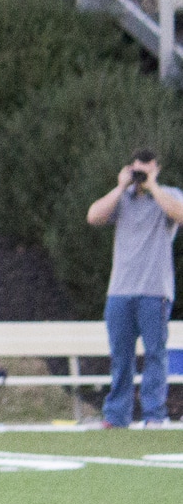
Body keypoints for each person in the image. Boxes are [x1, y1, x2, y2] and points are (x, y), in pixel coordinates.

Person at [86, 147, 182, 428]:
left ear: (157, 168)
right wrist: (120, 187)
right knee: (121, 356)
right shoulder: (123, 199)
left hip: (155, 291)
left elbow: (180, 214)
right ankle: (116, 415)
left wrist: (153, 186)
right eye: (138, 169)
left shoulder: (169, 195)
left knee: (155, 354)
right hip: (120, 291)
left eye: (147, 169)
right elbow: (94, 216)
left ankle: (154, 415)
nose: (141, 174)